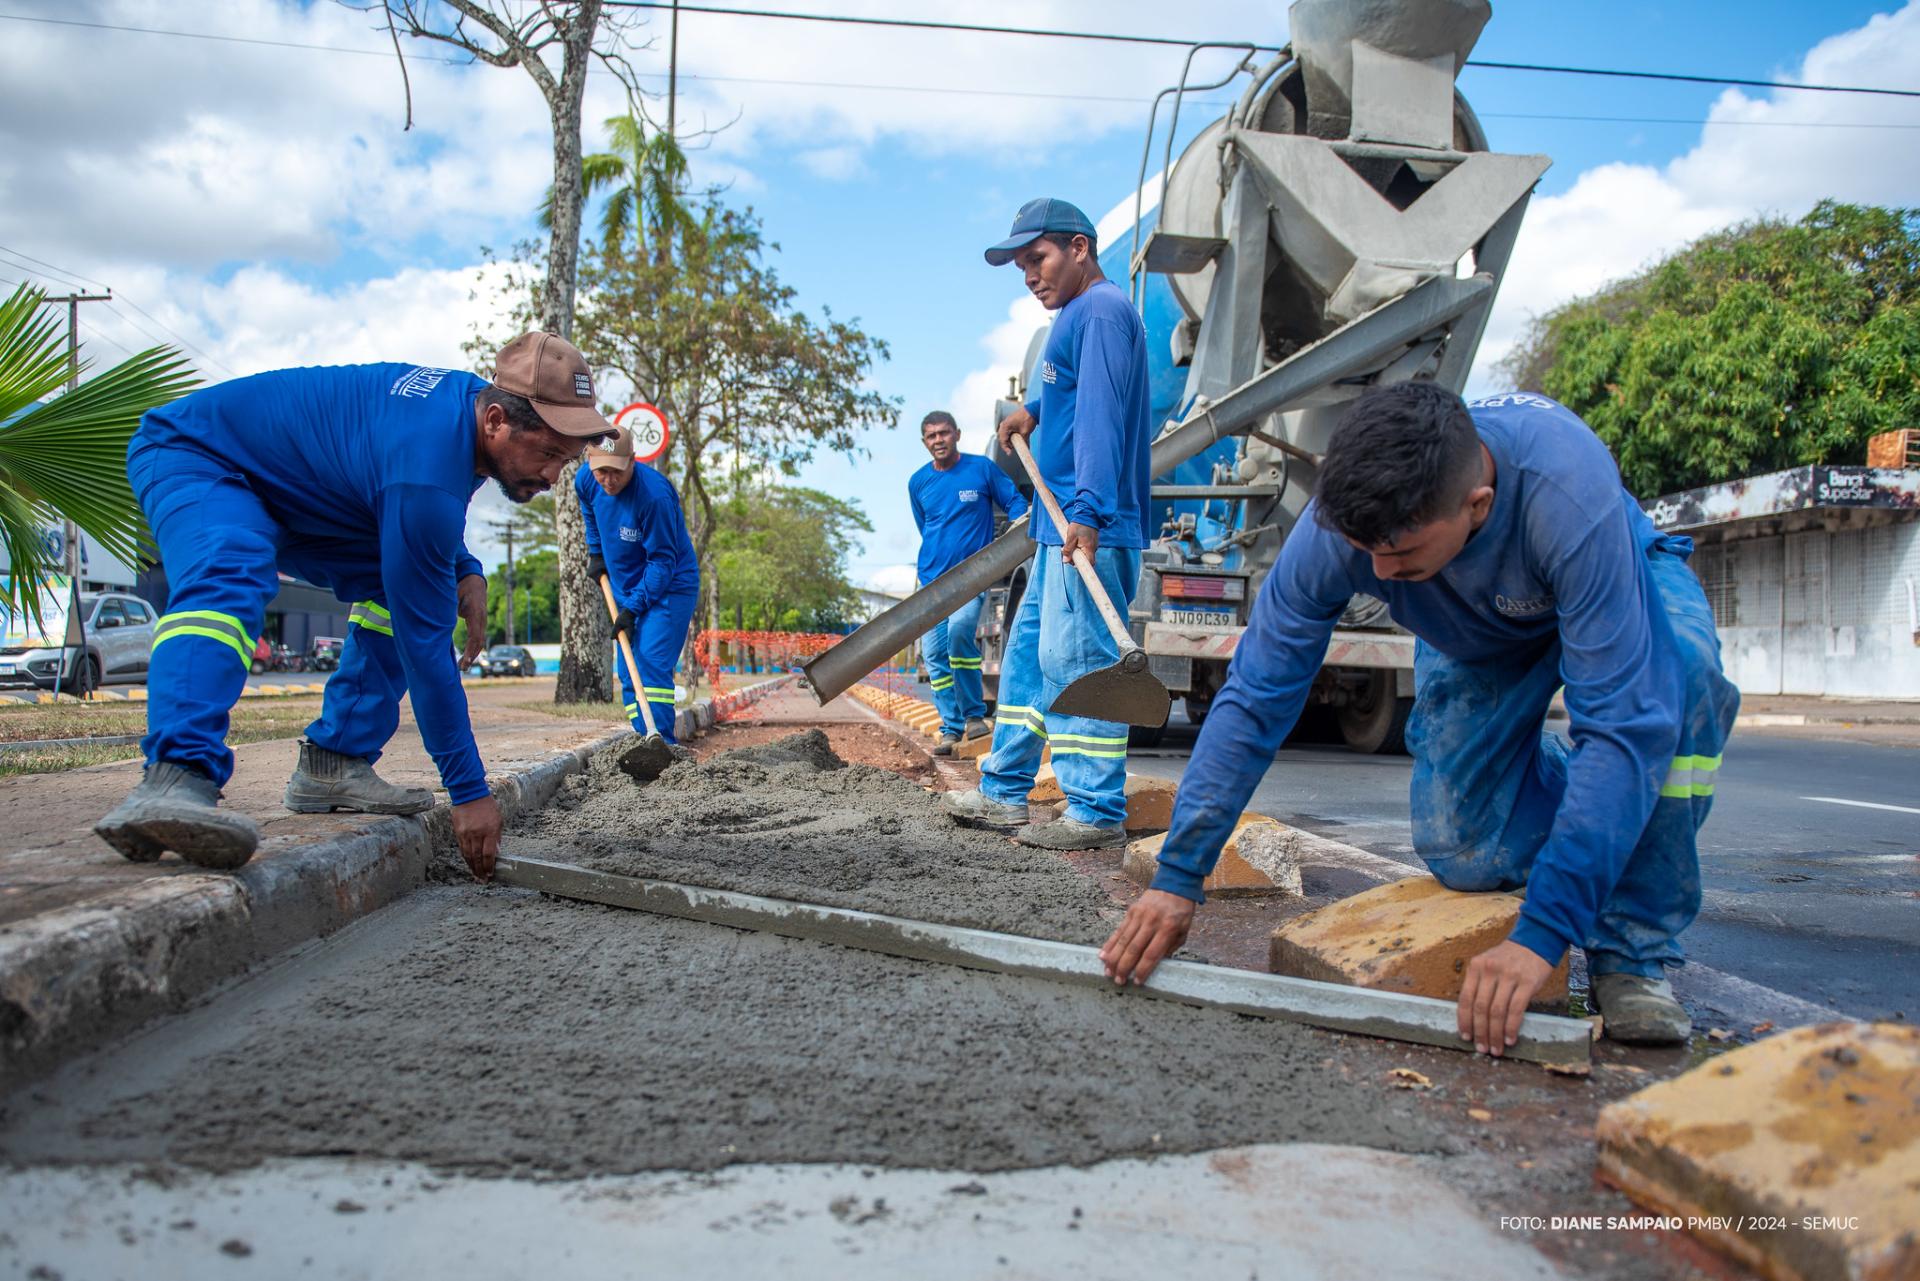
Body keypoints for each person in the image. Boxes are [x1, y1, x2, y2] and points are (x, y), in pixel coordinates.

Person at [1099, 383, 1740, 1050]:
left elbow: (1621, 724)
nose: (1376, 570)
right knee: (1467, 853)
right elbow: (1254, 696)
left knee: (1675, 689)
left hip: (1611, 587)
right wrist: (1181, 874)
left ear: (1478, 506)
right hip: (1480, 632)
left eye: (1400, 556)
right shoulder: (1339, 527)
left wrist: (1542, 933)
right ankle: (1594, 798)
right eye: (1365, 551)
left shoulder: (1568, 499)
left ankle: (1632, 948)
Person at [95, 332, 613, 881]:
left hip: (295, 493)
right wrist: (467, 791)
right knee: (230, 567)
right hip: (198, 456)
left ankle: (334, 759)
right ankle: (176, 774)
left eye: (568, 458)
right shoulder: (429, 461)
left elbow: (411, 503)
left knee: (406, 588)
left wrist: (467, 569)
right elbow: (426, 646)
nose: (555, 475)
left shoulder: (465, 412)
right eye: (550, 453)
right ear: (495, 421)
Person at [940, 197, 1153, 849]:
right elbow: (1068, 397)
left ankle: (1094, 809)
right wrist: (1034, 409)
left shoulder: (1103, 312)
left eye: (1039, 258)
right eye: (1021, 266)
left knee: (1078, 663)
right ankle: (1005, 790)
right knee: (1031, 665)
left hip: (1086, 528)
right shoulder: (1077, 318)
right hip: (1053, 528)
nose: (1030, 275)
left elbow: (1099, 415)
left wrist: (1087, 510)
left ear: (1081, 248)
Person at [908, 409, 1029, 756]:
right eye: (931, 436)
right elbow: (926, 526)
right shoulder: (918, 482)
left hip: (971, 577)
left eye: (943, 433)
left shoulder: (981, 469)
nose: (938, 441)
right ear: (924, 442)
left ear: (957, 434)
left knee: (961, 632)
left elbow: (1013, 499)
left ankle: (974, 716)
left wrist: (1021, 520)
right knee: (933, 655)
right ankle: (950, 726)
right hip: (932, 582)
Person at [576, 426, 700, 741]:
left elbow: (662, 563)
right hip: (624, 585)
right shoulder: (586, 480)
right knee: (629, 674)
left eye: (616, 471)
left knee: (651, 665)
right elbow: (590, 512)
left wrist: (631, 609)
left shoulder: (654, 496)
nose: (608, 480)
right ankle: (643, 740)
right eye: (601, 471)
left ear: (633, 460)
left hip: (670, 586)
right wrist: (596, 553)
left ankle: (663, 746)